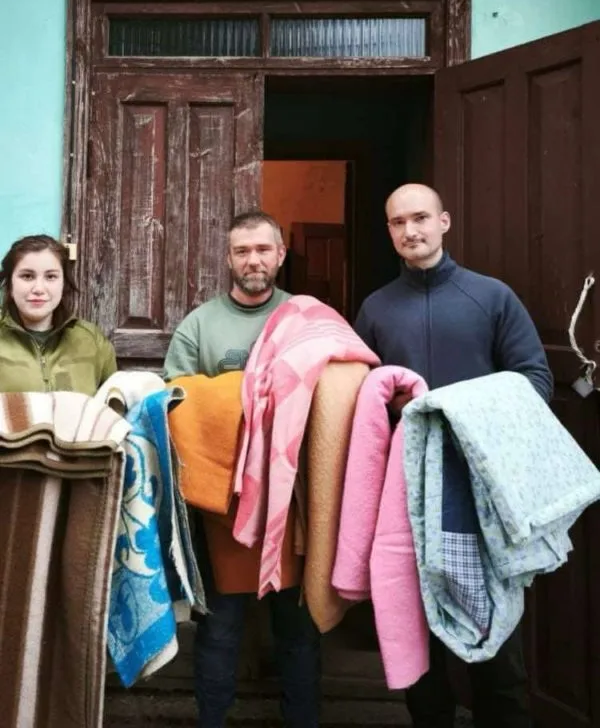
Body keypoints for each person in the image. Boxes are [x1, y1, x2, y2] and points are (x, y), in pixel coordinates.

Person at [354, 183, 553, 728]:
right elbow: (358, 401)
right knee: (421, 650)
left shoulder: (490, 297)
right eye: (398, 222)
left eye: (420, 217)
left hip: (482, 495)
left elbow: (536, 380)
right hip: (410, 498)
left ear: (445, 221)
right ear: (389, 232)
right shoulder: (375, 309)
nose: (410, 230)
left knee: (498, 646)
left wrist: (459, 411)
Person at [163, 210, 321, 728]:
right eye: (242, 251)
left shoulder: (307, 318)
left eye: (262, 249)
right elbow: (176, 402)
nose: (253, 260)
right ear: (229, 258)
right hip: (222, 506)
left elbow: (338, 389)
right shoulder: (200, 325)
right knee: (220, 628)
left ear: (281, 254)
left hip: (291, 500)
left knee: (298, 629)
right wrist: (241, 397)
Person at [0, 233, 117, 394]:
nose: (39, 289)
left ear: (64, 284)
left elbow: (113, 410)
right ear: (10, 286)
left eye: (51, 277)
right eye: (27, 276)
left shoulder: (92, 341)